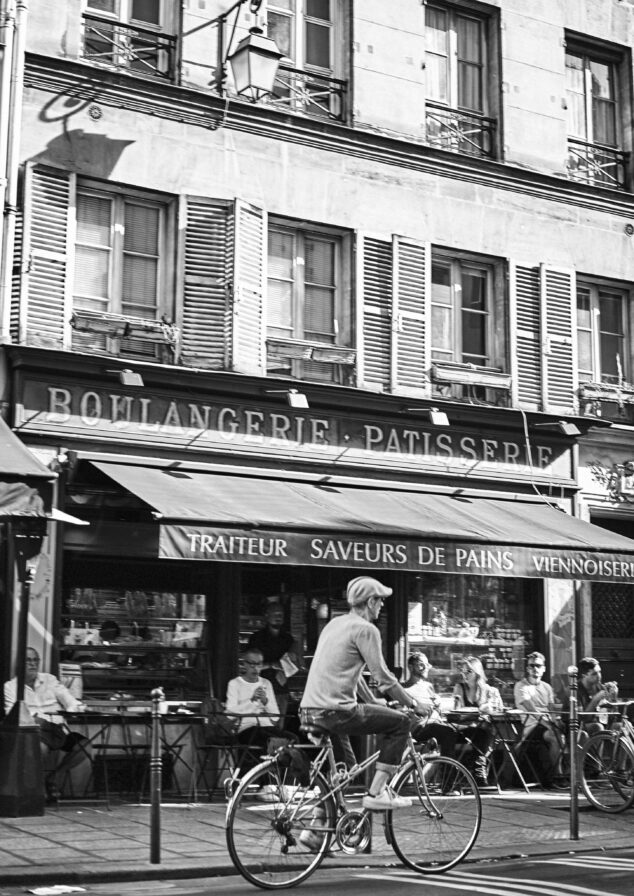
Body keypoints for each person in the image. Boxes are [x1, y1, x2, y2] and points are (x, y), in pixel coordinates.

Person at [300, 576, 432, 813]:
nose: (382, 606)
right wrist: (414, 703)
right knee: (401, 723)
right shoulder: (366, 629)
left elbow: (349, 670)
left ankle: (314, 833)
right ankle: (377, 793)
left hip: (310, 709)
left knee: (344, 770)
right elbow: (384, 678)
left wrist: (371, 700)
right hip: (336, 710)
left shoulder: (335, 624)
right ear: (371, 601)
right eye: (380, 600)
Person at [3, 647, 90, 802]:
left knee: (85, 746)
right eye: (28, 660)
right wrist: (37, 719)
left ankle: (52, 778)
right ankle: (38, 787)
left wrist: (74, 708)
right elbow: (13, 714)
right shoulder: (10, 686)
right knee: (39, 747)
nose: (32, 664)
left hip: (58, 730)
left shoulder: (50, 680)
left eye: (35, 660)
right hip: (35, 731)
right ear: (19, 664)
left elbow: (70, 701)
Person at [225, 647, 283, 775]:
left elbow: (275, 717)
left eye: (259, 664)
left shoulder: (266, 683)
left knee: (291, 738)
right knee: (265, 740)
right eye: (251, 664)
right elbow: (230, 714)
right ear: (244, 664)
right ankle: (263, 780)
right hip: (246, 728)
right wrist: (251, 701)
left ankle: (284, 781)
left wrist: (265, 701)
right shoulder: (234, 684)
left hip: (266, 726)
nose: (255, 668)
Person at [449, 656, 503, 786]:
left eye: (469, 671)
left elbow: (497, 709)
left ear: (477, 672)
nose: (465, 675)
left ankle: (478, 771)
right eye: (463, 671)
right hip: (462, 729)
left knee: (485, 732)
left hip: (481, 731)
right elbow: (457, 711)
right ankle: (479, 772)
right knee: (483, 733)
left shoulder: (489, 690)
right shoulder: (460, 687)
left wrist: (488, 708)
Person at [247, 601, 302, 726]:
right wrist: (273, 665)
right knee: (260, 726)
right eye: (275, 614)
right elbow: (251, 665)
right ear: (267, 615)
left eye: (281, 615)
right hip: (261, 688)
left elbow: (294, 663)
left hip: (281, 688)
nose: (279, 617)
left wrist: (292, 664)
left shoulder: (288, 639)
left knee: (278, 726)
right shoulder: (257, 638)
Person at [513, 651, 563, 786]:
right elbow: (532, 711)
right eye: (531, 666)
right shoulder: (521, 686)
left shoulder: (547, 687)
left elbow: (552, 709)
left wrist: (556, 721)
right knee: (554, 734)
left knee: (578, 734)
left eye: (538, 666)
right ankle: (558, 775)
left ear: (544, 669)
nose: (535, 669)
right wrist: (550, 725)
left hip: (548, 724)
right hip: (532, 728)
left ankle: (581, 775)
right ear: (527, 668)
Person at [573, 657, 619, 740]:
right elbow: (582, 719)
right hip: (578, 727)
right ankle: (598, 753)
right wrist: (596, 699)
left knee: (622, 726)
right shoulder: (576, 690)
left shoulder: (598, 686)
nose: (599, 676)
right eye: (594, 674)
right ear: (584, 675)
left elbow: (613, 716)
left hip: (599, 722)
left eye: (599, 672)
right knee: (598, 727)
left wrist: (613, 697)